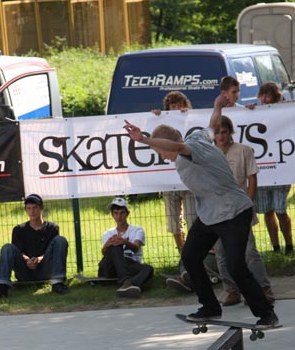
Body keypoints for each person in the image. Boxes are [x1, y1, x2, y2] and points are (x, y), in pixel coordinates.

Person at [124, 96, 279, 326]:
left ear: (164, 144)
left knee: (236, 266)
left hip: (234, 211)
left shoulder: (190, 148)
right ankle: (210, 307)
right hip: (210, 214)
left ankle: (266, 314)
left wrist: (145, 140)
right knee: (190, 257)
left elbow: (177, 147)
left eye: (160, 151)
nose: (162, 156)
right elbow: (213, 126)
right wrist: (217, 107)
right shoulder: (198, 136)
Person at [214, 115, 274, 306]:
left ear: (230, 132)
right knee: (221, 253)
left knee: (249, 251)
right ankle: (232, 290)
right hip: (216, 211)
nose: (221, 136)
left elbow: (252, 179)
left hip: (240, 208)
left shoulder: (244, 151)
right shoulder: (209, 154)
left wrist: (248, 204)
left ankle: (264, 288)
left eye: (224, 132)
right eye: (217, 132)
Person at [0, 193, 69, 300]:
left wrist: (38, 259)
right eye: (29, 208)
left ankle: (58, 283)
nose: (32, 211)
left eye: (35, 208)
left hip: (44, 269)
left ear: (41, 208)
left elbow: (53, 251)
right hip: (24, 270)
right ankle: (1, 288)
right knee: (7, 247)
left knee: (60, 240)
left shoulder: (52, 228)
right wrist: (27, 261)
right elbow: (17, 251)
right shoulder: (19, 229)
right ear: (26, 210)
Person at [153, 91, 196, 255]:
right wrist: (155, 116)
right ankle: (183, 254)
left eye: (180, 105)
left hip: (189, 181)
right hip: (169, 182)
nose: (177, 109)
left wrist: (189, 115)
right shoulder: (161, 123)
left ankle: (195, 254)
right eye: (173, 106)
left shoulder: (192, 120)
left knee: (193, 220)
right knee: (173, 223)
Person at [254, 82, 294, 255]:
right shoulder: (254, 113)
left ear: (275, 97)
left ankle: (289, 245)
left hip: (280, 170)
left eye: (268, 96)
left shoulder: (283, 112)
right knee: (267, 211)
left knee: (280, 210)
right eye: (262, 96)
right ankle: (276, 247)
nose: (264, 100)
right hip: (262, 172)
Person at [98, 197, 153, 299]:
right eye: (116, 213)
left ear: (127, 213)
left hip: (129, 264)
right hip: (111, 267)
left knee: (149, 269)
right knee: (115, 245)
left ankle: (129, 285)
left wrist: (124, 241)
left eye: (122, 213)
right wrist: (107, 244)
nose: (119, 217)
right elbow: (104, 253)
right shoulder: (108, 233)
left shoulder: (137, 230)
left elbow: (136, 248)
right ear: (112, 214)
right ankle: (126, 281)